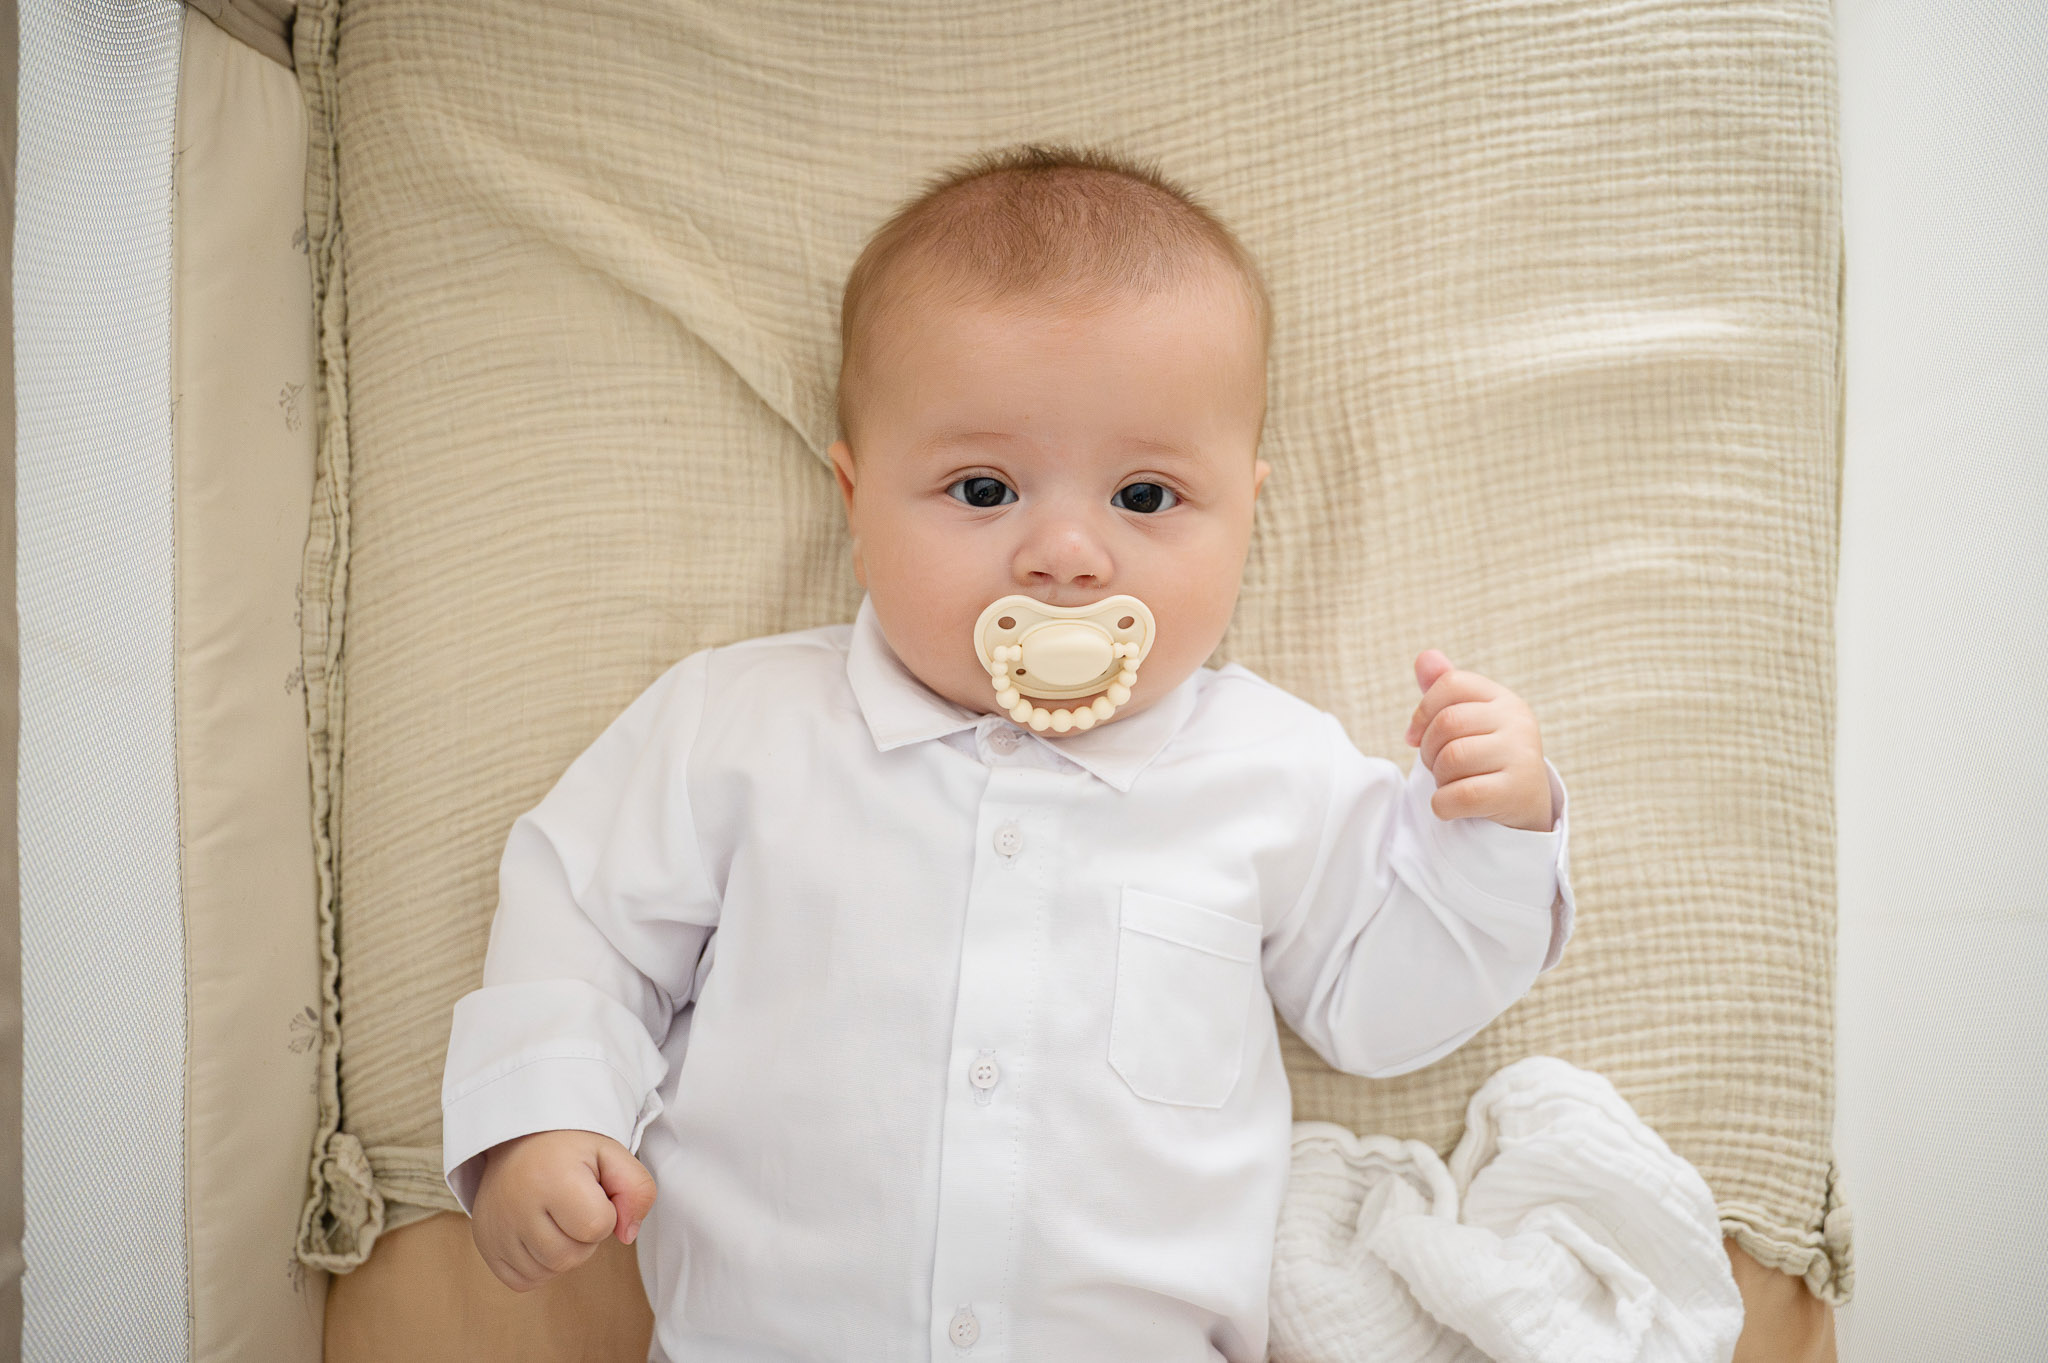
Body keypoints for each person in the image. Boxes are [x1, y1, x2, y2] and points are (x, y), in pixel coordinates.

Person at [441, 143, 1574, 1362]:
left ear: (1246, 512)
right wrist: (541, 1119)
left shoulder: (1271, 767)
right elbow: (582, 918)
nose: (1065, 556)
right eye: (982, 489)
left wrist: (1488, 833)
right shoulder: (741, 725)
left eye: (1145, 497)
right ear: (855, 499)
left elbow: (1382, 1007)